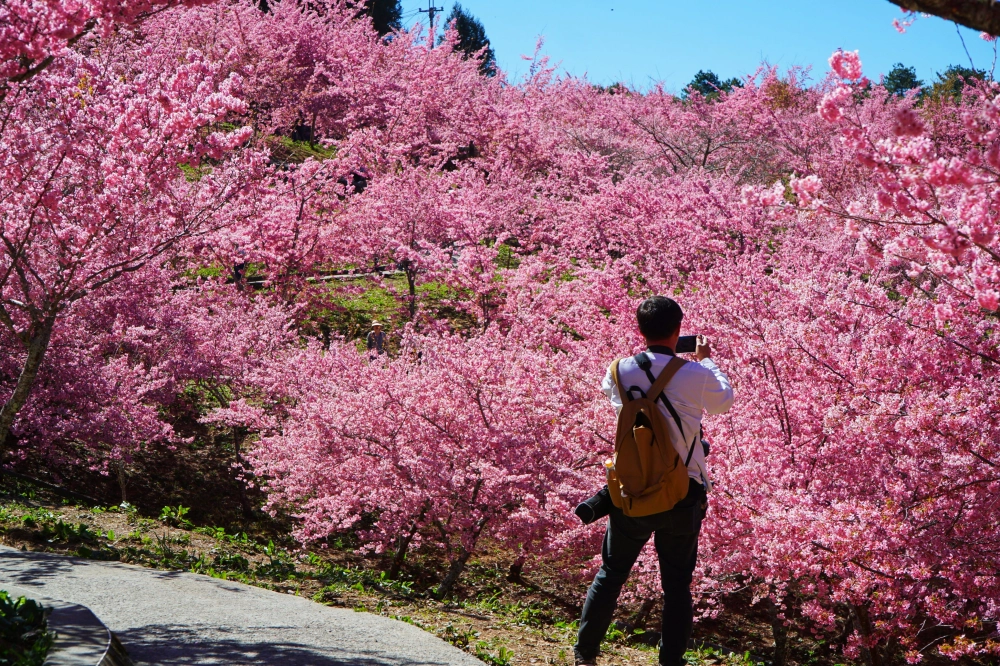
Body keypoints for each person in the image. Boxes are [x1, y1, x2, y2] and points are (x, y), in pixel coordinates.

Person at [574, 296, 734, 666]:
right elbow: (723, 401)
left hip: (632, 490)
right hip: (682, 492)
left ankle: (585, 654)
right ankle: (670, 662)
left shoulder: (618, 371)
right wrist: (707, 359)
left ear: (640, 330)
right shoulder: (696, 374)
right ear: (679, 329)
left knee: (611, 574)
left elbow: (613, 400)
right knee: (677, 586)